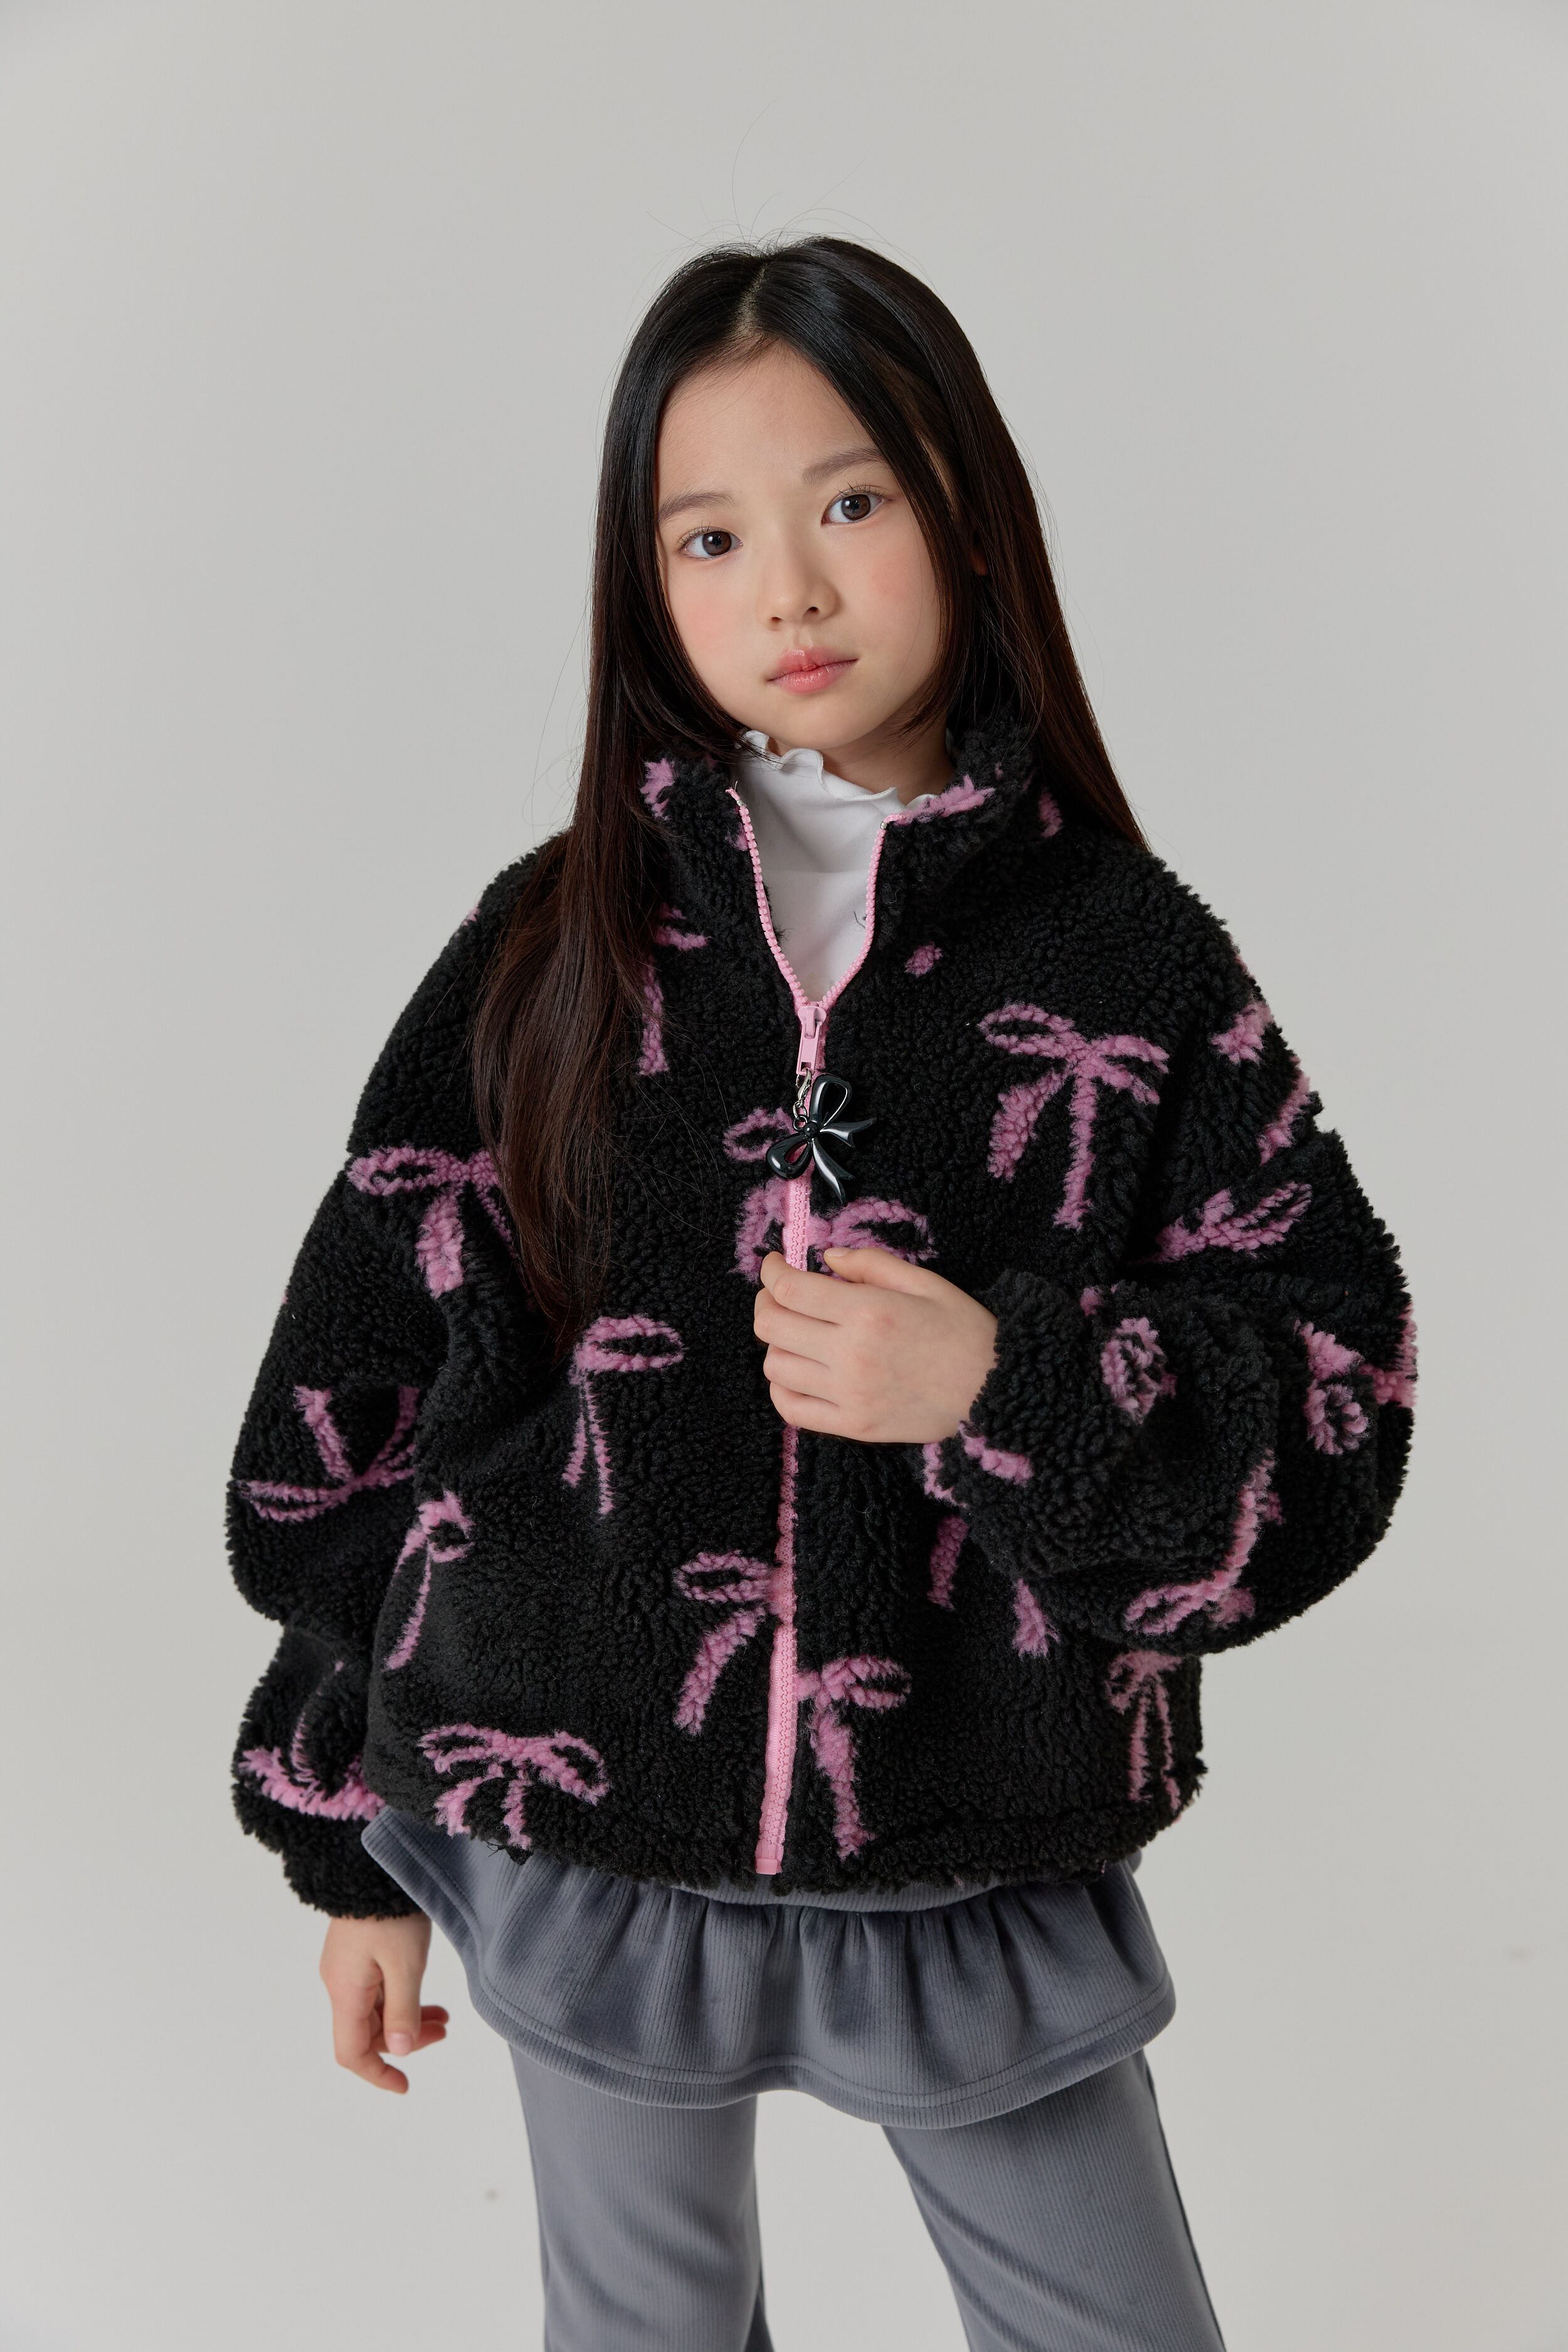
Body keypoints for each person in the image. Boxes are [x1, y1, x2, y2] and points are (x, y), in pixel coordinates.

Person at [226, 236, 1416, 2352]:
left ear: (970, 519)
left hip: (975, 1818)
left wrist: (1005, 1380)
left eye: (847, 502)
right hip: (574, 1811)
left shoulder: (1126, 957)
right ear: (643, 586)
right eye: (708, 536)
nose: (785, 586)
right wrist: (340, 1830)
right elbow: (376, 1381)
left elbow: (1331, 1380)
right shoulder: (548, 947)